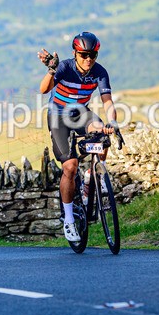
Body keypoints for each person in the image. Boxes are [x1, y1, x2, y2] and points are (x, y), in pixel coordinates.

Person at [38, 31, 118, 242]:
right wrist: (52, 70)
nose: (88, 59)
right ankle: (69, 219)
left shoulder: (99, 72)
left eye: (93, 55)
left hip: (80, 113)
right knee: (70, 167)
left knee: (102, 132)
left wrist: (113, 122)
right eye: (83, 55)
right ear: (75, 53)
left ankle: (93, 176)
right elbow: (44, 89)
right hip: (58, 117)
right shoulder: (65, 67)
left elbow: (107, 101)